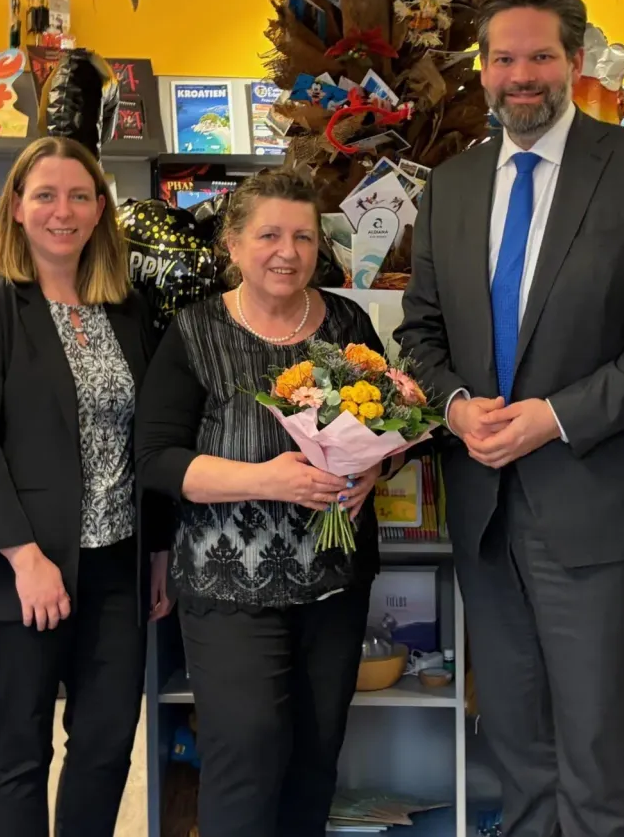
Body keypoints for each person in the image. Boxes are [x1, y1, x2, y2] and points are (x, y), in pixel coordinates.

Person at [395, 0, 624, 837]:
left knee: (594, 749)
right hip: (487, 506)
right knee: (514, 738)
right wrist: (458, 406)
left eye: (541, 55)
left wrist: (556, 415)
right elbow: (422, 334)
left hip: (599, 501)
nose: (522, 74)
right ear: (483, 68)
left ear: (574, 61)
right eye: (504, 57)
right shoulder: (452, 185)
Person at [135, 169, 400, 837]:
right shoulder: (195, 332)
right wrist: (266, 479)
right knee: (246, 754)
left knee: (314, 761)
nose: (288, 251)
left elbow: (397, 426)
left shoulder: (346, 321)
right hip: (230, 587)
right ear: (232, 243)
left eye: (304, 236)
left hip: (333, 587)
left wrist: (377, 465)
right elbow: (158, 460)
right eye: (270, 234)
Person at [0, 137, 173, 837]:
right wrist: (23, 556)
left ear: (101, 210)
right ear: (16, 205)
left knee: (104, 747)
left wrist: (157, 549)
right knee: (18, 751)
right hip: (19, 572)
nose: (61, 211)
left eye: (78, 196)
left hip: (115, 569)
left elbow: (148, 439)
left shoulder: (125, 310)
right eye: (44, 194)